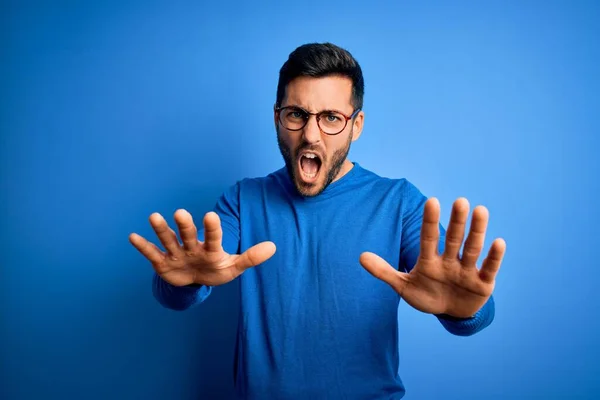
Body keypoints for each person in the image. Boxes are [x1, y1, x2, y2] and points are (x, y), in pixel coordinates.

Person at [129, 42, 506, 399]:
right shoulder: (244, 200)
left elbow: (472, 306)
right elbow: (182, 287)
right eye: (296, 114)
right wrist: (183, 282)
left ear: (356, 125)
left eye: (330, 118)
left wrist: (463, 309)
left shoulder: (399, 203)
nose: (311, 135)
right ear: (277, 118)